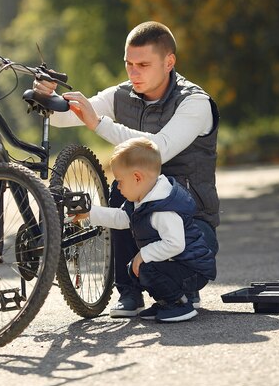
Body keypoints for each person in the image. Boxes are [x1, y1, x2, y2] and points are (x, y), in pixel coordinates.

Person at [34, 21, 220, 317]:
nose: (134, 73)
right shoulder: (121, 94)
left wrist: (98, 124)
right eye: (129, 64)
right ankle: (129, 294)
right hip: (142, 208)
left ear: (169, 62)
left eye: (143, 64)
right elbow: (66, 118)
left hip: (191, 217)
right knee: (120, 190)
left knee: (177, 261)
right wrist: (48, 99)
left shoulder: (195, 102)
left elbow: (158, 149)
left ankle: (182, 287)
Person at [72, 137, 213, 322]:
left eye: (120, 181)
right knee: (137, 268)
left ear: (137, 177)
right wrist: (90, 213)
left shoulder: (163, 208)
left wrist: (143, 254)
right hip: (176, 264)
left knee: (145, 268)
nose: (118, 187)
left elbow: (175, 244)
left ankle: (179, 304)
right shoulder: (143, 199)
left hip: (192, 269)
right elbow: (122, 218)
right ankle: (166, 301)